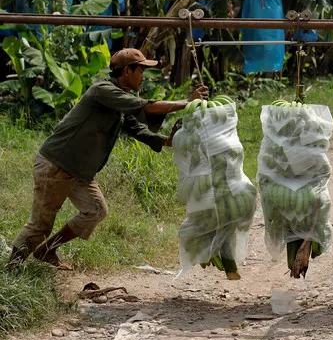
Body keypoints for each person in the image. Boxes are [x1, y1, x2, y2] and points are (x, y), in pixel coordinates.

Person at [8, 48, 209, 269]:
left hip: (79, 170)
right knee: (40, 225)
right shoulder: (103, 90)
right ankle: (13, 268)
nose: (143, 77)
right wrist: (187, 102)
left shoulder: (120, 97)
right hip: (58, 165)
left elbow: (138, 129)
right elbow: (147, 107)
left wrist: (167, 141)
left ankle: (47, 250)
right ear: (127, 71)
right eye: (141, 71)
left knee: (96, 210)